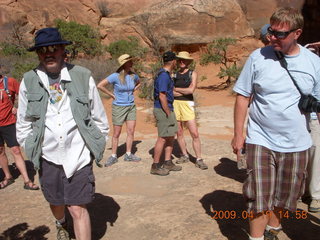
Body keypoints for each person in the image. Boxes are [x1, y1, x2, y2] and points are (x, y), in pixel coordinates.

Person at [231, 7, 320, 240]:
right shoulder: (257, 57)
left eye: (280, 34)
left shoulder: (313, 62)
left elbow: (318, 104)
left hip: (297, 142)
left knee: (286, 196)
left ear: (297, 33)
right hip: (260, 138)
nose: (272, 37)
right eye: (271, 31)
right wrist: (238, 134)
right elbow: (242, 96)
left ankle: (273, 227)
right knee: (259, 195)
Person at [16, 28, 109, 240]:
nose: (48, 53)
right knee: (56, 202)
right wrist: (30, 146)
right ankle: (60, 222)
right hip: (48, 155)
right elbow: (23, 122)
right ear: (38, 54)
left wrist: (93, 146)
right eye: (42, 50)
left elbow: (99, 118)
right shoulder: (29, 81)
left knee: (77, 208)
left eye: (53, 48)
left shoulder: (82, 76)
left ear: (62, 50)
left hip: (78, 155)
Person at [97, 54, 141, 167]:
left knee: (130, 131)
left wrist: (133, 90)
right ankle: (113, 156)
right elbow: (100, 85)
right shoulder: (115, 76)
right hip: (119, 107)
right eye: (129, 61)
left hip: (131, 106)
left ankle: (128, 154)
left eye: (131, 61)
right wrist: (111, 94)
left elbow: (139, 82)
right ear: (124, 64)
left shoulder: (133, 76)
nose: (131, 63)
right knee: (116, 133)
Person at [0, 68, 39, 190]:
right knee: (0, 151)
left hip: (9, 123)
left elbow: (24, 97)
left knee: (16, 150)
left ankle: (27, 181)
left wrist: (18, 108)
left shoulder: (9, 82)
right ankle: (8, 177)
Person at [173, 51, 208, 170]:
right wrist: (183, 90)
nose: (181, 62)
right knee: (179, 132)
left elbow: (191, 90)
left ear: (188, 61)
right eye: (179, 60)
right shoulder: (174, 74)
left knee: (194, 133)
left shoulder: (193, 74)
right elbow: (170, 92)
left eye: (184, 60)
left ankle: (198, 158)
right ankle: (184, 155)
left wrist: (177, 89)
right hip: (175, 104)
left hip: (187, 104)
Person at [151, 51, 182, 176]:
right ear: (173, 61)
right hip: (163, 109)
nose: (177, 63)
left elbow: (168, 93)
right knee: (163, 137)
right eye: (176, 61)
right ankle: (155, 165)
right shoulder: (163, 76)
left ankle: (168, 161)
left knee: (170, 136)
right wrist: (168, 112)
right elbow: (162, 96)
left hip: (168, 108)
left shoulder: (166, 74)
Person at [304, 42, 320, 213]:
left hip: (315, 118)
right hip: (300, 118)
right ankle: (305, 191)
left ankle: (315, 195)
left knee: (316, 157)